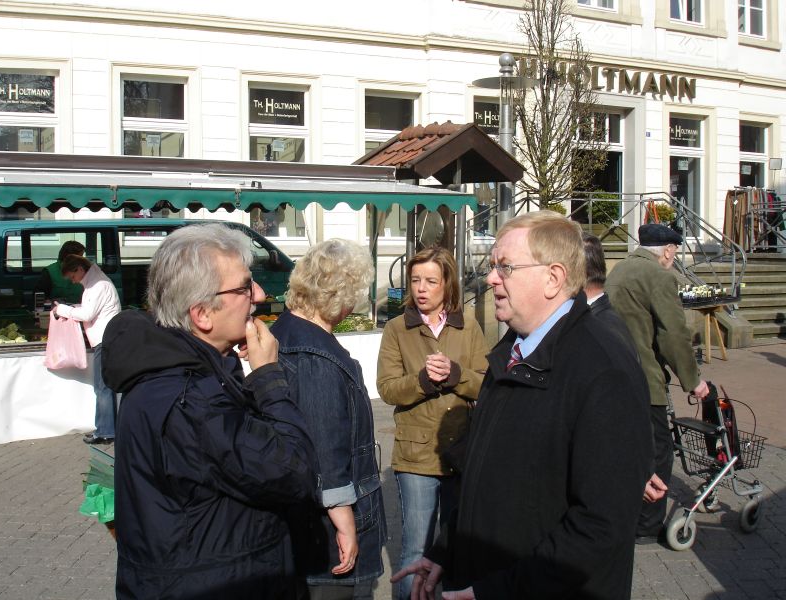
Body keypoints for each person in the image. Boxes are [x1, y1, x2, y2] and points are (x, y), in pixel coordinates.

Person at [393, 211, 652, 600]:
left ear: (553, 278)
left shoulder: (602, 368)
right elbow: (486, 475)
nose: (491, 278)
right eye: (493, 266)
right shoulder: (510, 349)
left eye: (505, 267)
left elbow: (599, 527)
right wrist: (445, 551)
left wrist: (494, 591)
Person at [101, 223, 319, 599]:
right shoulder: (194, 402)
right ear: (202, 314)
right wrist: (268, 377)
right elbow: (293, 471)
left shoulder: (181, 372)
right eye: (244, 287)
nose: (261, 296)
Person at [270, 239, 386, 599]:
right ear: (341, 292)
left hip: (299, 520)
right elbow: (325, 443)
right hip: (324, 533)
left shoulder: (284, 333)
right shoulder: (315, 355)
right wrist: (345, 522)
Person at [376, 247, 487, 600]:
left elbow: (487, 382)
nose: (421, 288)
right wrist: (423, 380)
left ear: (447, 284)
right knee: (416, 552)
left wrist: (456, 375)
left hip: (461, 453)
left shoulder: (468, 323)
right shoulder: (397, 328)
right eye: (415, 280)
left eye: (431, 281)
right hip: (415, 456)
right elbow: (387, 388)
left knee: (456, 549)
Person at [605, 222, 709, 544]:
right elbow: (673, 336)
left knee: (623, 448)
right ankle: (646, 526)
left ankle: (618, 511)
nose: (674, 257)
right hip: (644, 380)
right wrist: (693, 381)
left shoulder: (619, 270)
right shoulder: (660, 277)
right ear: (667, 250)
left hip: (612, 375)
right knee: (657, 453)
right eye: (674, 251)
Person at [583, 232, 667, 505]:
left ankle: (647, 526)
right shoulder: (591, 318)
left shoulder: (601, 326)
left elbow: (673, 335)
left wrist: (638, 468)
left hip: (643, 382)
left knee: (659, 451)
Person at [54, 255, 121, 445]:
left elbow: (87, 313)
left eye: (71, 277)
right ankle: (106, 429)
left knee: (103, 387)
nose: (72, 281)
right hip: (105, 338)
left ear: (79, 270)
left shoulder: (98, 285)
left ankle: (106, 432)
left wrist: (64, 310)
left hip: (105, 339)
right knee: (103, 387)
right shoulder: (96, 283)